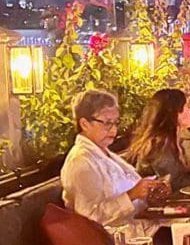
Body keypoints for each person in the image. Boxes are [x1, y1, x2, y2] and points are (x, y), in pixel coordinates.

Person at [61, 89, 163, 226]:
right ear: (84, 124)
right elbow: (90, 218)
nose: (113, 130)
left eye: (116, 123)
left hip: (141, 226)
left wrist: (151, 193)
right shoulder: (81, 162)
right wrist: (132, 195)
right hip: (115, 240)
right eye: (107, 123)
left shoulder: (106, 154)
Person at [123, 89, 190, 192]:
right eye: (187, 107)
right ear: (175, 113)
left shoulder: (171, 141)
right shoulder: (160, 145)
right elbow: (174, 183)